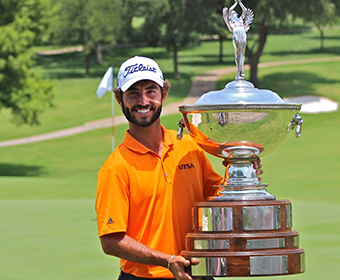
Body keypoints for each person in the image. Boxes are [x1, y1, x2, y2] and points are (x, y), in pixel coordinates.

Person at [95, 56, 262, 280]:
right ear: (119, 98)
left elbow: (216, 198)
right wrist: (166, 260)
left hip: (198, 274)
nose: (143, 101)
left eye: (150, 91)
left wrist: (241, 174)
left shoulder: (189, 145)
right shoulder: (115, 168)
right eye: (133, 93)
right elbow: (111, 240)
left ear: (163, 94)